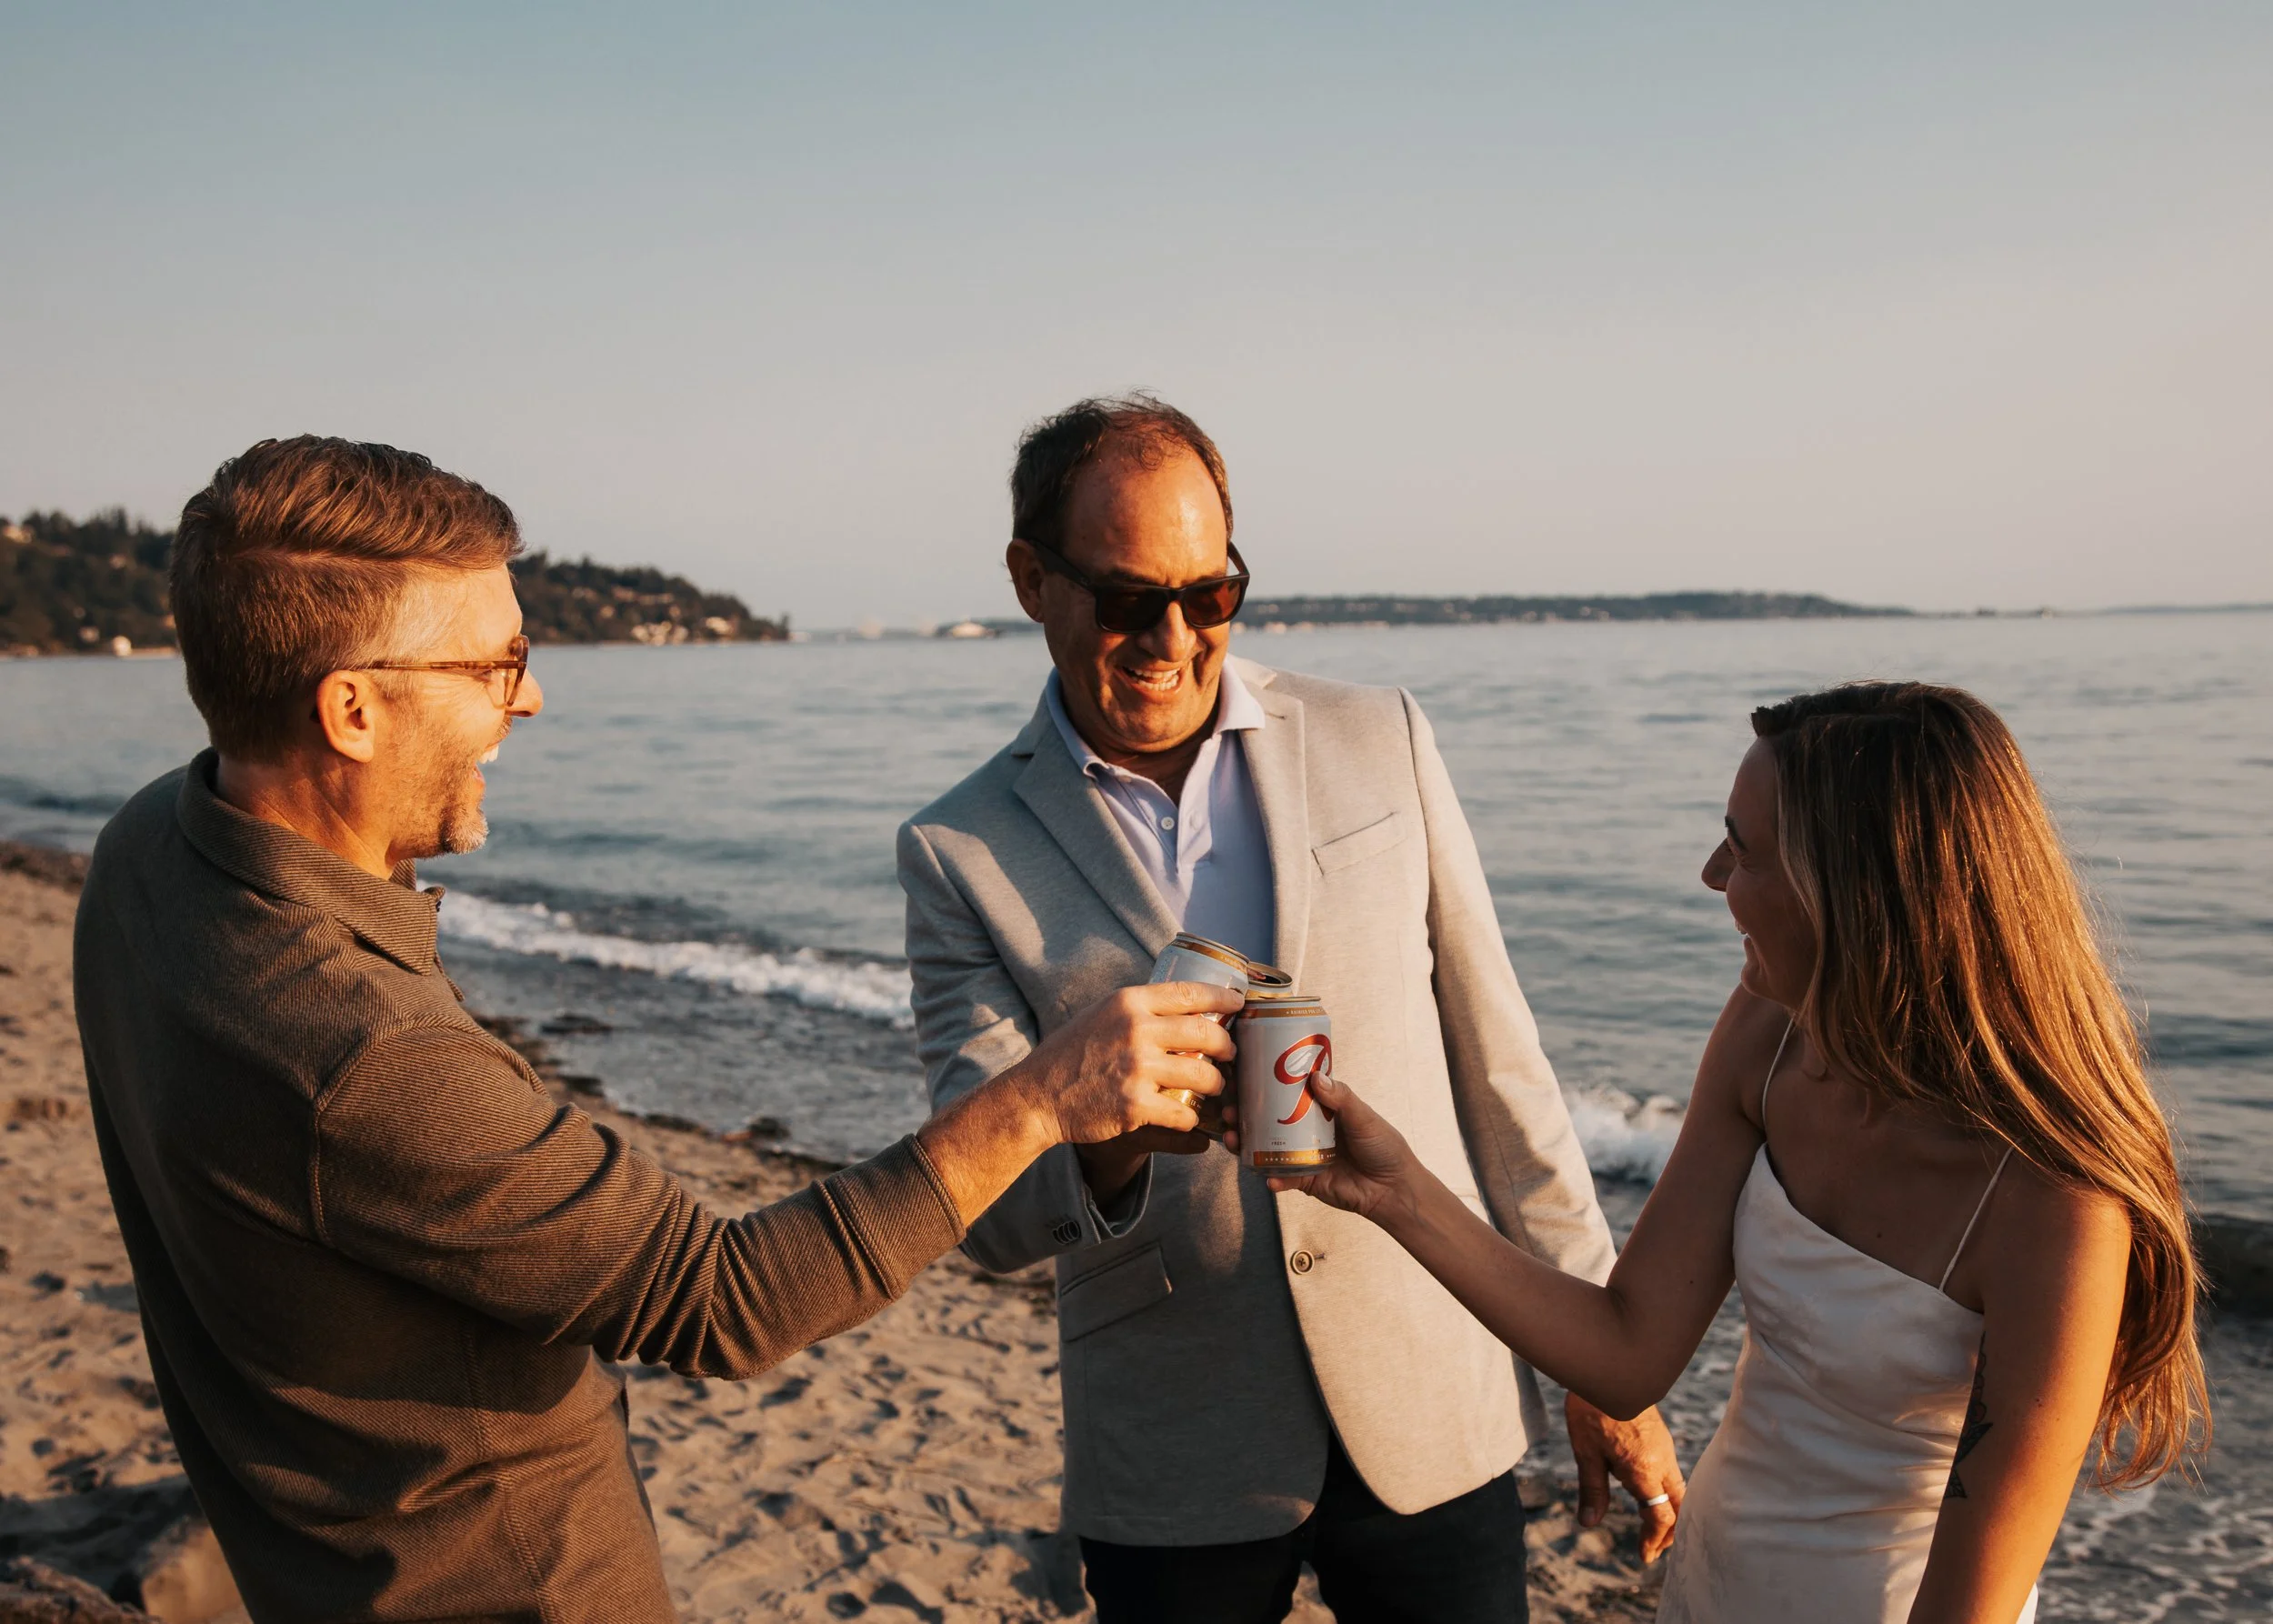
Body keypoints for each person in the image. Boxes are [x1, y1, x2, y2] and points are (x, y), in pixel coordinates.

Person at [73, 436, 1240, 1624]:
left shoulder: (145, 855)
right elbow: (727, 1298)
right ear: (353, 708)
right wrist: (1041, 1096)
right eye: (495, 661)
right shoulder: (367, 1059)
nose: (529, 695)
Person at [896, 395, 1682, 1623]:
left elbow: (1502, 1069)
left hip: (1432, 1389)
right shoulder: (960, 850)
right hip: (1174, 1441)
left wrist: (1598, 1356)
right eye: (1124, 598)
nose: (1170, 636)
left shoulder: (1383, 737)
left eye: (1209, 594)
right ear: (1029, 579)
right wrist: (1111, 1142)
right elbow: (983, 1211)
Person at [1265, 682, 2209, 1623]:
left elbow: (1970, 1605)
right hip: (1710, 1581)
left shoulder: (2057, 1206)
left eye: (1745, 848)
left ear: (1857, 887)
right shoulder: (1772, 1031)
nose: (1713, 874)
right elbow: (1626, 1352)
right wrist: (1397, 1195)